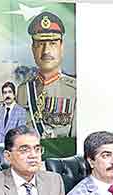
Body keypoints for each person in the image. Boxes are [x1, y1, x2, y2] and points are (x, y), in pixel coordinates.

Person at [17, 11, 76, 139]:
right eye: (40, 44)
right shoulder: (23, 90)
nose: (46, 51)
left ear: (61, 47)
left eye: (52, 43)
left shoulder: (74, 90)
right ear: (33, 49)